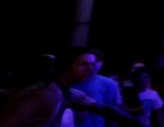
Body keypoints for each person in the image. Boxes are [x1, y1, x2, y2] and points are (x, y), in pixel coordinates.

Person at [0, 47, 137, 127]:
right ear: (65, 66)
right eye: (83, 64)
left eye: (93, 64)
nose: (91, 69)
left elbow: (104, 109)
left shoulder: (69, 92)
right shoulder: (45, 95)